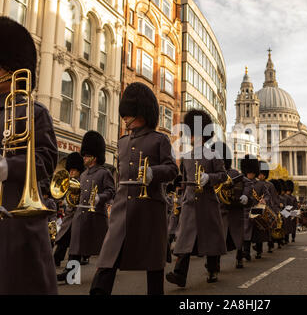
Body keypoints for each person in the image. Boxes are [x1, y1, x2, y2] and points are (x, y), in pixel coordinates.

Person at [90, 82, 178, 295]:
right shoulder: (121, 143)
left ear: (140, 112)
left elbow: (172, 169)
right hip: (123, 208)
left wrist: (153, 173)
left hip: (149, 209)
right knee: (108, 257)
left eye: (128, 113)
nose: (124, 117)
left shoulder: (160, 140)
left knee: (153, 264)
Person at [0, 16, 59, 294]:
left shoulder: (34, 112)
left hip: (15, 219)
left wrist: (7, 167)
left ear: (8, 69)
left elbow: (45, 161)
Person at [166, 109, 227, 287]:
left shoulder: (214, 155)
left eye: (194, 134)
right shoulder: (185, 157)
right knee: (185, 238)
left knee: (211, 239)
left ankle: (213, 269)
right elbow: (184, 180)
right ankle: (180, 274)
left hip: (207, 201)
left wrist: (210, 178)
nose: (191, 137)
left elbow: (223, 176)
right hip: (190, 202)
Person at [57, 131, 115, 282]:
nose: (84, 158)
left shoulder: (104, 173)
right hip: (80, 215)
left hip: (96, 215)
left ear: (94, 157)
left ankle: (107, 272)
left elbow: (111, 191)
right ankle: (71, 275)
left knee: (103, 247)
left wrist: (99, 198)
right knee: (75, 247)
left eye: (86, 156)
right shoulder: (83, 175)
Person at [213, 141, 248, 269]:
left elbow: (247, 184)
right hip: (218, 211)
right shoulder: (212, 174)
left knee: (237, 237)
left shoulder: (234, 173)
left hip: (233, 210)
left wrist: (244, 195)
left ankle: (239, 257)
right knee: (217, 239)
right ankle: (214, 264)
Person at [53, 152, 84, 267]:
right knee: (62, 240)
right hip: (70, 215)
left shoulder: (83, 180)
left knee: (76, 246)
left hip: (80, 215)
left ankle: (72, 273)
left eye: (74, 170)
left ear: (79, 170)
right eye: (70, 169)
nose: (71, 172)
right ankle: (56, 261)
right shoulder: (69, 180)